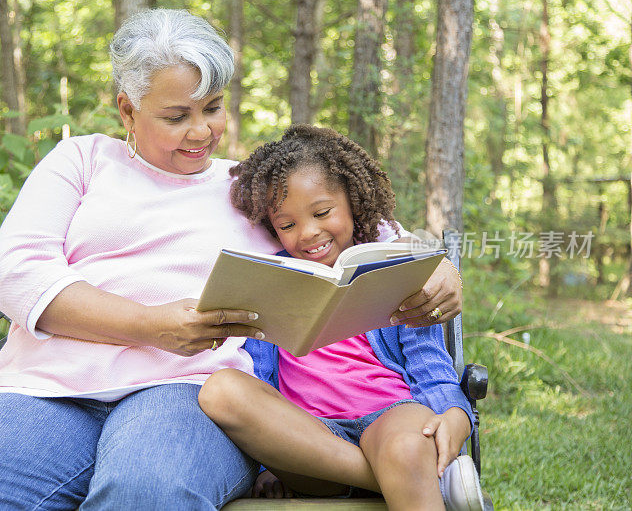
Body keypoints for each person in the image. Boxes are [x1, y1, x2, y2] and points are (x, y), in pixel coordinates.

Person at [0, 10, 464, 510]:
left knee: (147, 495)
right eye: (177, 116)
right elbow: (17, 272)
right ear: (127, 108)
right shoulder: (79, 161)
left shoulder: (248, 186)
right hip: (47, 393)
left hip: (189, 392)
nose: (202, 132)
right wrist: (151, 326)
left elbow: (364, 233)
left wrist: (436, 267)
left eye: (213, 108)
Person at [199, 125, 485, 510]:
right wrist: (268, 464)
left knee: (405, 443)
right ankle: (409, 474)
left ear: (352, 200)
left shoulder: (391, 264)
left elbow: (429, 360)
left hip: (391, 416)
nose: (308, 233)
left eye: (322, 212)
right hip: (307, 438)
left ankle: (405, 463)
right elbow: (259, 376)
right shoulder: (269, 278)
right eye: (287, 224)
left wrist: (455, 411)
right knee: (222, 389)